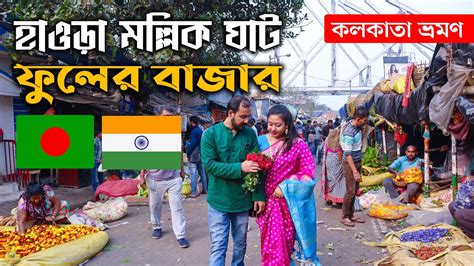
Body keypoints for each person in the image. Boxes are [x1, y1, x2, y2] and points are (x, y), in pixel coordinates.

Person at [201, 95, 266, 266]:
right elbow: (210, 166)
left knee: (240, 245)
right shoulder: (210, 135)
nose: (247, 120)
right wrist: (240, 168)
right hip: (218, 200)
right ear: (230, 113)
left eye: (248, 116)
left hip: (241, 201)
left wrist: (258, 196)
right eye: (242, 116)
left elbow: (258, 165)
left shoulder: (250, 134)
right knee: (218, 246)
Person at [256, 105, 315, 265]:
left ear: (287, 125)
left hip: (287, 203)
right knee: (269, 245)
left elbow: (308, 172)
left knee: (283, 243)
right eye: (270, 124)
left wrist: (286, 186)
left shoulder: (298, 144)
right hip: (265, 201)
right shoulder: (260, 141)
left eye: (278, 125)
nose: (272, 128)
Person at [139, 106, 190, 248]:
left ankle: (180, 235)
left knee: (177, 207)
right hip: (155, 178)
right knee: (155, 206)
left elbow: (178, 151)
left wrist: (181, 170)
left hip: (173, 178)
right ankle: (156, 227)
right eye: (166, 117)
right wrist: (142, 175)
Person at [341, 107, 368, 227]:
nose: (365, 122)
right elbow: (347, 155)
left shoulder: (358, 128)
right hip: (350, 164)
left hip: (357, 161)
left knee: (355, 190)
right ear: (358, 119)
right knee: (350, 191)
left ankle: (351, 214)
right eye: (364, 120)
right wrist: (354, 171)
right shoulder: (349, 132)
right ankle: (345, 216)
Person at [321, 128, 345, 206]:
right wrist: (344, 166)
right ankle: (337, 201)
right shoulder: (338, 144)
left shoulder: (327, 143)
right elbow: (340, 157)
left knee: (330, 181)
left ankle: (329, 199)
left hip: (329, 164)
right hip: (336, 164)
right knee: (338, 182)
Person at [187, 115, 208, 198]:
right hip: (201, 154)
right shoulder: (200, 130)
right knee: (202, 172)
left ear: (192, 122)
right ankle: (205, 190)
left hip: (194, 155)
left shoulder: (194, 131)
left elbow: (192, 144)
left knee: (193, 174)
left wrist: (188, 153)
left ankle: (194, 192)